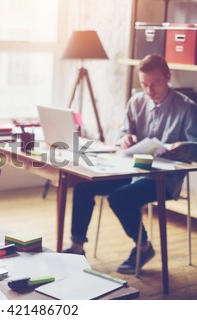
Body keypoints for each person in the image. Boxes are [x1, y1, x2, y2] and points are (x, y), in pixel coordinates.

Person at [63, 54, 197, 275]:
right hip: (130, 169)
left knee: (120, 198)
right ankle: (77, 248)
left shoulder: (187, 108)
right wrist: (124, 138)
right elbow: (124, 132)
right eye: (144, 84)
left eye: (156, 83)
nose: (149, 90)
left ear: (168, 77)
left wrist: (183, 146)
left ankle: (143, 247)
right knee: (83, 186)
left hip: (164, 178)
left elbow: (196, 147)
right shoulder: (136, 101)